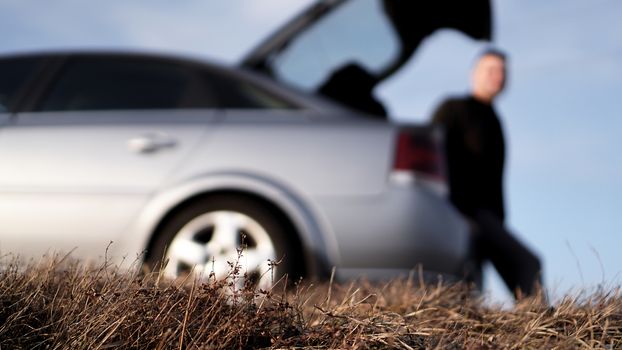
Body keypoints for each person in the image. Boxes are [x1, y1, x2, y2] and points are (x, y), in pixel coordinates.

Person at [431, 48, 543, 299]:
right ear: (474, 74)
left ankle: (531, 330)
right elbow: (433, 154)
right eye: (491, 70)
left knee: (479, 281)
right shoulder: (453, 108)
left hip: (489, 218)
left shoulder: (494, 119)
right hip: (461, 211)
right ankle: (544, 331)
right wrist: (451, 208)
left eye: (503, 71)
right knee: (528, 265)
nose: (498, 76)